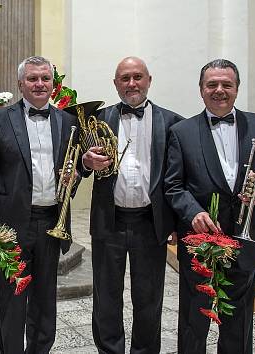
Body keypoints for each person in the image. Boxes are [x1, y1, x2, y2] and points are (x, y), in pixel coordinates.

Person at [164, 59, 255, 353]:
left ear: (237, 88)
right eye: (212, 84)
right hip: (201, 240)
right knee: (193, 320)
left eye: (226, 84)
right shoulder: (181, 132)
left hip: (245, 238)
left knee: (239, 320)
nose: (219, 90)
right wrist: (193, 212)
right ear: (201, 89)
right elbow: (173, 185)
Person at [0, 55, 79, 353]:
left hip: (52, 224)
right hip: (10, 226)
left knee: (46, 302)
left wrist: (75, 174)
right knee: (12, 302)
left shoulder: (67, 120)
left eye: (45, 78)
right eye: (32, 78)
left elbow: (72, 170)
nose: (39, 84)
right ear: (20, 83)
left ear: (52, 83)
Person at [81, 56, 183, 354]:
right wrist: (86, 161)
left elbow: (178, 178)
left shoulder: (173, 122)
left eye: (137, 77)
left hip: (151, 222)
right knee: (106, 296)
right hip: (108, 220)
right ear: (115, 84)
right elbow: (79, 164)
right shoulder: (98, 119)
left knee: (149, 296)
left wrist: (176, 222)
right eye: (124, 78)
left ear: (149, 80)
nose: (131, 83)